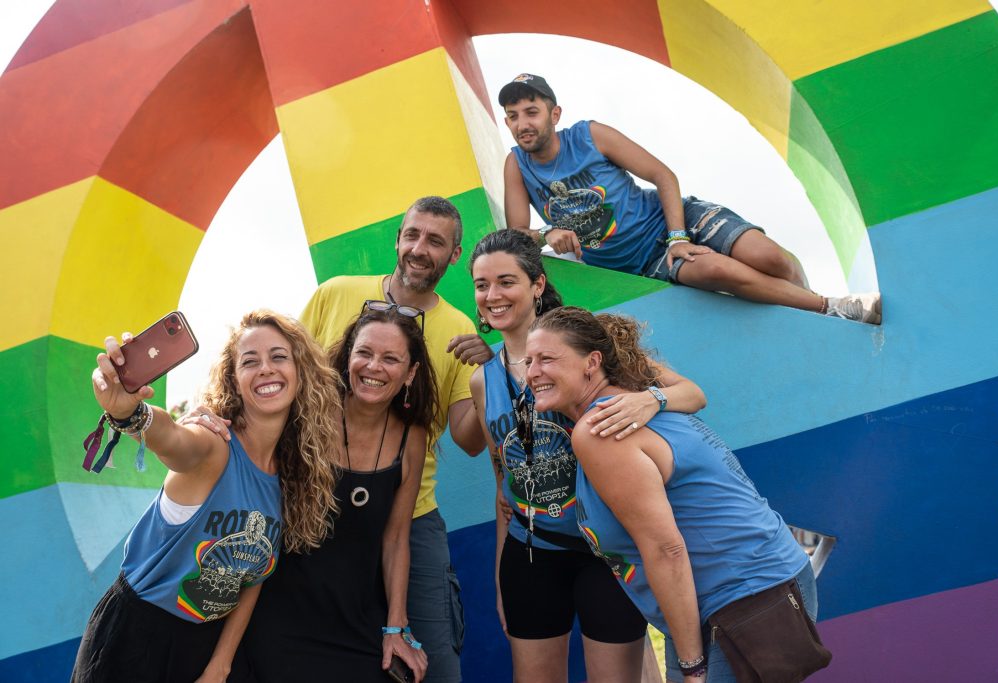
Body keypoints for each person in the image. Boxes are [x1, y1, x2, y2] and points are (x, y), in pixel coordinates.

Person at [524, 307, 822, 683]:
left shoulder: (601, 429)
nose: (532, 372)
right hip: (770, 580)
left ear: (592, 362)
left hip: (742, 600)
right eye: (529, 361)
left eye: (547, 359)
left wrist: (692, 667)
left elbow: (666, 550)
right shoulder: (635, 402)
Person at [468, 229, 707, 682]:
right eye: (482, 285)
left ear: (537, 284)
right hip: (532, 553)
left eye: (506, 281)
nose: (493, 296)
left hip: (606, 552)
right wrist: (505, 574)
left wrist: (648, 400)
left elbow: (692, 394)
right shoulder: (484, 381)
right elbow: (503, 484)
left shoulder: (585, 341)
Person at [73, 311, 342, 683]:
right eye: (250, 361)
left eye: (279, 356)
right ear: (234, 378)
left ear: (301, 372)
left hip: (201, 648)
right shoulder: (214, 444)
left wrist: (220, 665)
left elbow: (250, 577)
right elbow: (174, 442)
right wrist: (131, 413)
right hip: (136, 639)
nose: (265, 368)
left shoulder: (289, 476)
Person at [499, 72, 881, 324]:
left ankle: (813, 306)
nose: (523, 124)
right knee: (717, 270)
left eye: (531, 112)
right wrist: (548, 231)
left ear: (554, 114)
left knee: (771, 259)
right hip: (643, 262)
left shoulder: (590, 135)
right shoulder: (517, 165)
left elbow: (662, 175)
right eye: (513, 116)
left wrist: (678, 236)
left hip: (674, 219)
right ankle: (831, 308)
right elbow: (518, 236)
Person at [300, 196, 487, 682]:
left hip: (411, 516)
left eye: (436, 241)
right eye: (413, 235)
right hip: (316, 503)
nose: (420, 249)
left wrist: (493, 378)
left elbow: (469, 440)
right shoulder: (334, 295)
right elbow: (285, 382)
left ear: (455, 255)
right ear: (399, 239)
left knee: (435, 665)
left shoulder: (458, 329)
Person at [233, 304, 434, 682]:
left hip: (356, 620)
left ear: (410, 373)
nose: (373, 367)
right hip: (276, 615)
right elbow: (241, 421)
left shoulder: (412, 437)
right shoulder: (305, 412)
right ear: (348, 357)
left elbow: (395, 539)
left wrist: (396, 628)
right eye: (365, 353)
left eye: (390, 359)